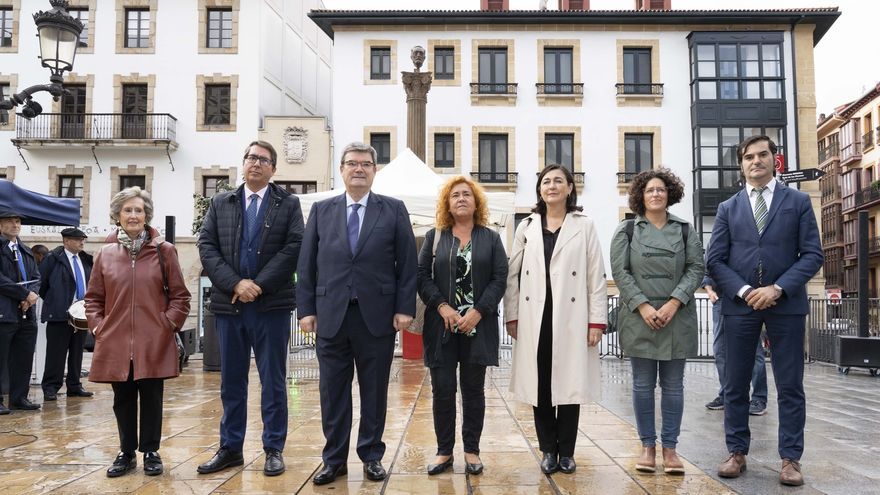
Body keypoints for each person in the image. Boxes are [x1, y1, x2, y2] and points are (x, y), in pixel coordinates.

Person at [297, 141, 417, 485]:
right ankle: (333, 459)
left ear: (374, 170)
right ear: (342, 169)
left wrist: (404, 308)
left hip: (377, 318)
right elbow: (306, 266)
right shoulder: (322, 210)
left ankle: (372, 455)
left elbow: (407, 264)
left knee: (374, 392)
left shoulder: (393, 210)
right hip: (331, 316)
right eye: (352, 163)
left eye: (366, 164)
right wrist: (306, 309)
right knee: (332, 393)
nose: (359, 169)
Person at [707, 135, 823, 487]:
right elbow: (714, 260)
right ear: (741, 164)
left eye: (762, 155)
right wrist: (744, 291)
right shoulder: (728, 208)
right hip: (739, 307)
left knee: (790, 385)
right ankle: (736, 451)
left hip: (785, 305)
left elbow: (813, 255)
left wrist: (777, 288)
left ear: (775, 159)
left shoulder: (798, 202)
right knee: (735, 383)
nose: (755, 161)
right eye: (748, 157)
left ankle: (790, 459)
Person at [197, 140, 304, 477]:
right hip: (230, 306)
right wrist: (235, 284)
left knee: (273, 380)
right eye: (250, 158)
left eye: (263, 159)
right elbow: (207, 245)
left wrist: (258, 284)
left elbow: (294, 246)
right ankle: (230, 448)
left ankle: (273, 448)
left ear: (273, 168)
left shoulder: (287, 204)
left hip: (270, 306)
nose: (255, 163)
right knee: (231, 382)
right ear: (243, 164)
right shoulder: (221, 201)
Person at [504, 165, 607, 475]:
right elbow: (513, 276)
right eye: (546, 181)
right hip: (535, 316)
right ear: (539, 190)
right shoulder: (526, 227)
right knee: (541, 386)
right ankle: (548, 449)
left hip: (571, 317)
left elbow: (595, 275)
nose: (551, 186)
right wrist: (513, 315)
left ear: (569, 188)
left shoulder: (584, 225)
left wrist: (596, 321)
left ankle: (568, 452)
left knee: (570, 386)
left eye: (558, 181)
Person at [85, 187, 191, 478]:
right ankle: (126, 452)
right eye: (128, 210)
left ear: (147, 216)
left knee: (153, 397)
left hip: (153, 339)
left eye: (139, 210)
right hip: (116, 340)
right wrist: (98, 326)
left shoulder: (164, 250)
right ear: (118, 216)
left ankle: (151, 451)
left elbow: (181, 296)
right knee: (123, 399)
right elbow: (93, 298)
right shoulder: (105, 254)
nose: (133, 215)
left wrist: (167, 324)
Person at [609, 168, 704, 475]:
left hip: (677, 317)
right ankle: (647, 446)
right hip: (640, 318)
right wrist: (644, 307)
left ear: (670, 194)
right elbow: (621, 273)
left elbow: (695, 269)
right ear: (641, 195)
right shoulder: (627, 231)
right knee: (642, 384)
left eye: (661, 189)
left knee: (674, 386)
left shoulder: (686, 229)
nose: (655, 194)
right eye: (650, 190)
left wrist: (674, 302)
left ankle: (671, 449)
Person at [417, 176, 507, 476]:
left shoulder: (491, 238)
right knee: (442, 390)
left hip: (477, 326)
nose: (461, 199)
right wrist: (442, 306)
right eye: (454, 195)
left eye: (467, 194)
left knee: (473, 390)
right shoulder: (435, 237)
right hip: (441, 325)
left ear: (476, 201)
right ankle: (444, 452)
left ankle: (471, 451)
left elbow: (499, 278)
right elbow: (421, 276)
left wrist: (479, 311)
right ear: (447, 203)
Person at [39, 228, 94, 401]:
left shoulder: (85, 259)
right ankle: (51, 387)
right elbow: (42, 284)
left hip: (81, 314)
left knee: (77, 351)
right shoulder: (53, 259)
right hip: (60, 313)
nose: (82, 242)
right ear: (66, 241)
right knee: (56, 353)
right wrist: (56, 300)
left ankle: (74, 385)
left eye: (83, 239)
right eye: (78, 240)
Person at [703, 276, 768, 416]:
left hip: (748, 299)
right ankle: (726, 394)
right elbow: (708, 270)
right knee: (720, 350)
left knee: (755, 351)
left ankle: (759, 398)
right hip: (721, 299)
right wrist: (709, 290)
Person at [0, 209, 41, 413]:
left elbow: (36, 277)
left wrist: (31, 295)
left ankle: (19, 397)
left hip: (26, 313)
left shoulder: (24, 249)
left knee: (23, 357)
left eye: (17, 221)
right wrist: (23, 294)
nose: (15, 225)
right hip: (5, 312)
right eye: (10, 222)